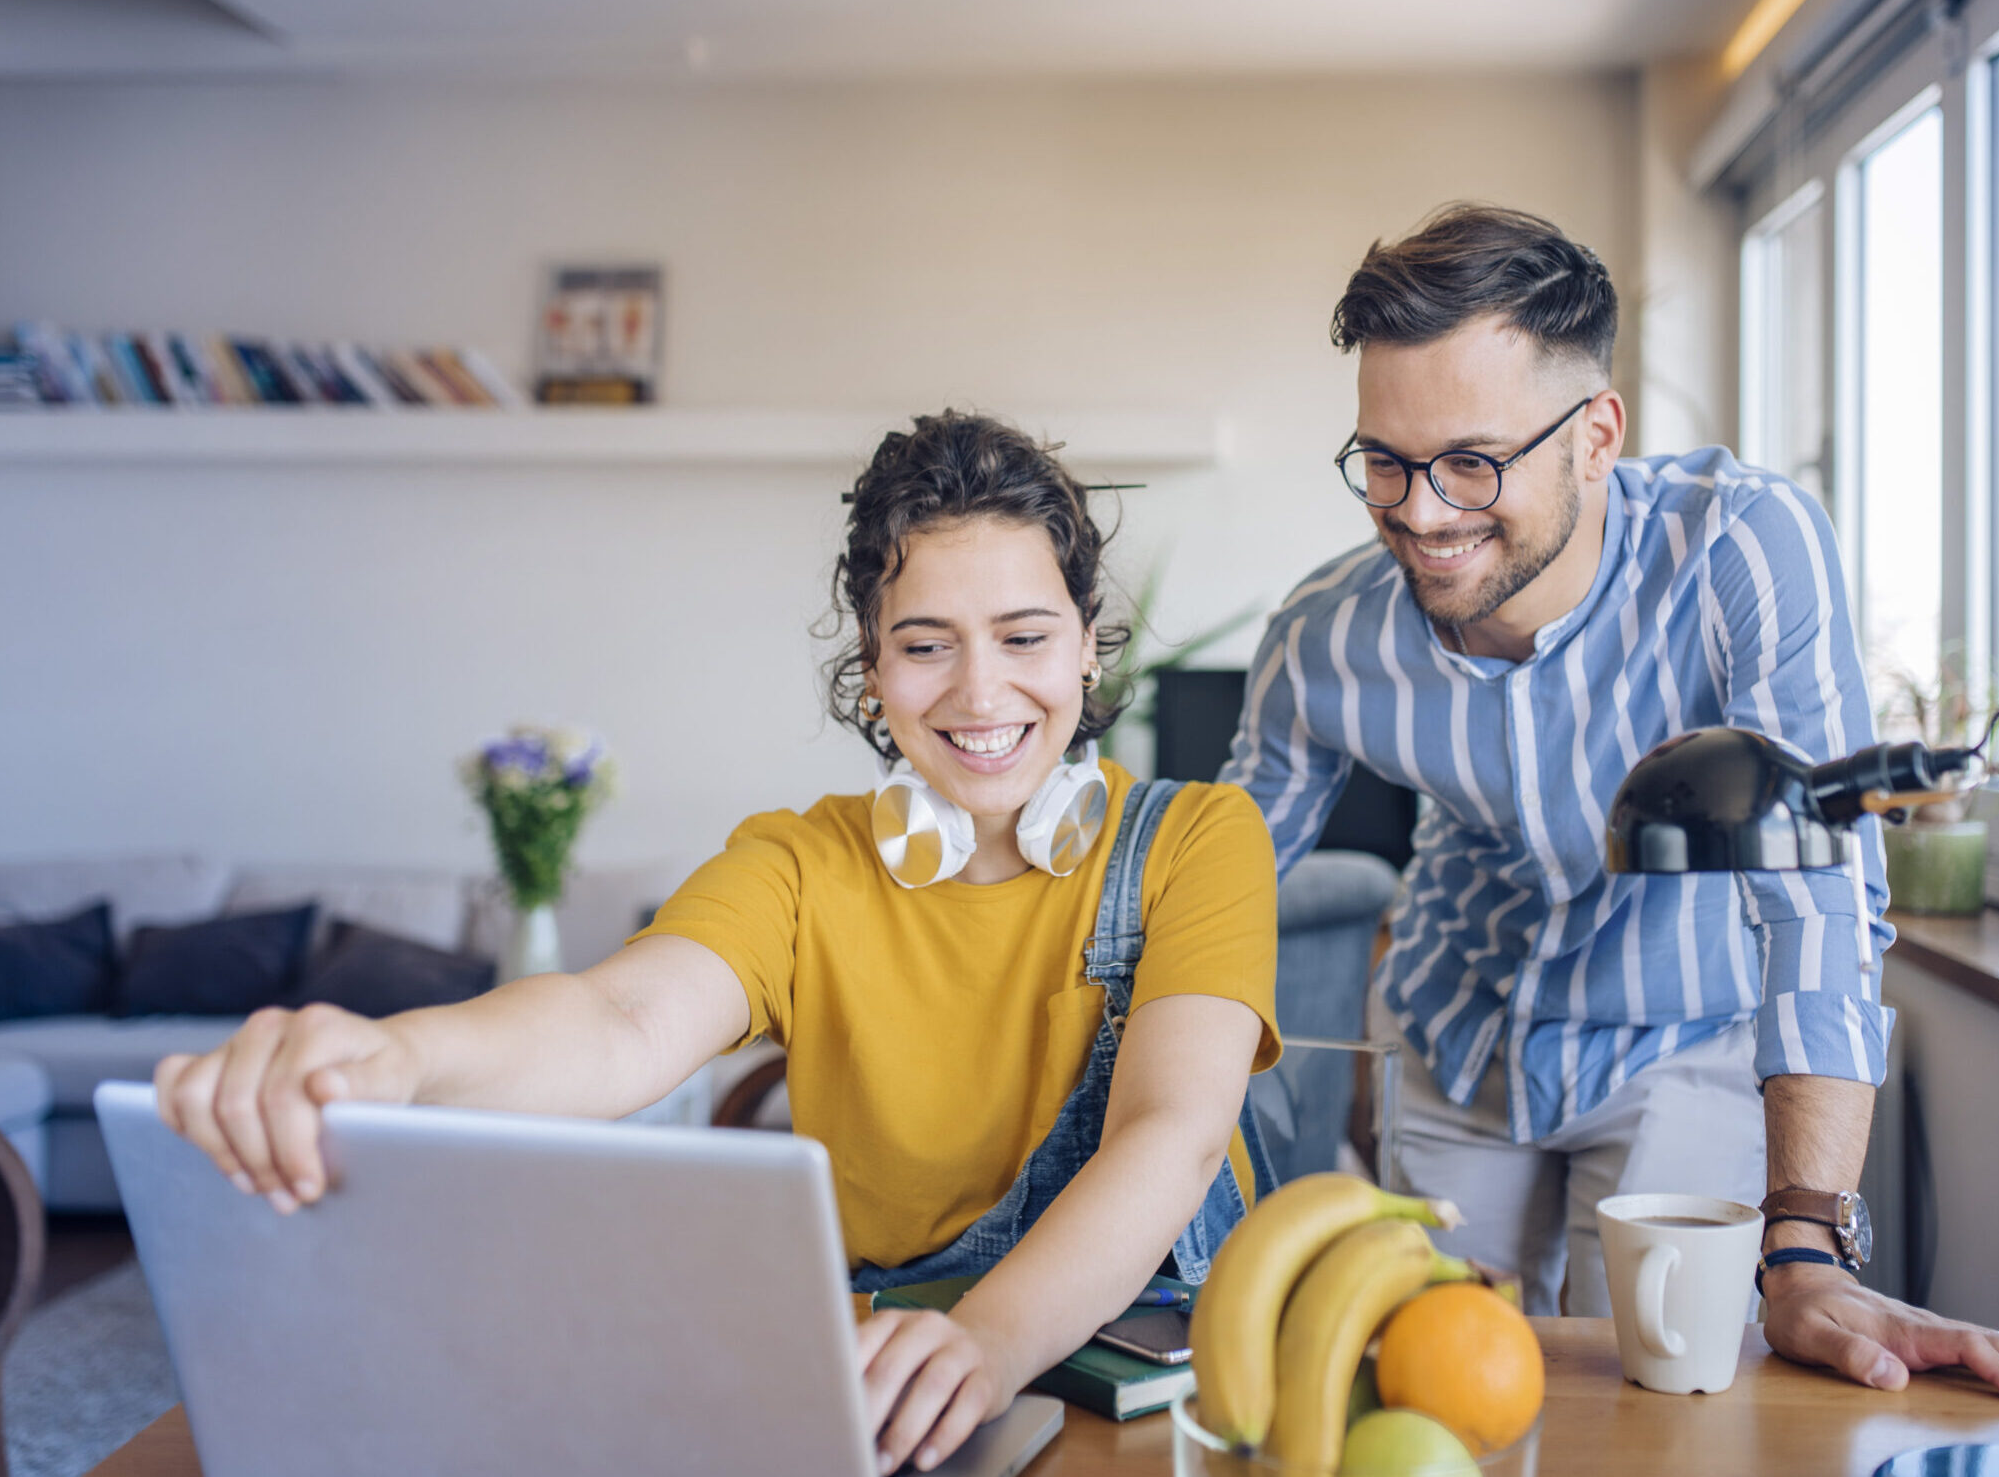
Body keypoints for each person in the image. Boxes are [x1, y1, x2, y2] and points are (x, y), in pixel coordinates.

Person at [153, 412, 1283, 1475]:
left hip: (1140, 1381)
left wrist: (988, 1342)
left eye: (1024, 636)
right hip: (886, 1383)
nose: (979, 690)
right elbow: (617, 1020)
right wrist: (395, 1062)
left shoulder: (1197, 839)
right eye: (926, 644)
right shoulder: (799, 864)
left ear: (1089, 646)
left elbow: (1169, 1130)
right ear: (873, 666)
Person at [1224, 204, 1999, 1403]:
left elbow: (1819, 896)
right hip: (1450, 1041)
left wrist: (1804, 1241)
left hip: (1683, 1046)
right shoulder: (1324, 636)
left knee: (1658, 1406)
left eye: (1472, 461)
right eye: (1383, 461)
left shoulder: (1737, 546)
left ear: (1595, 435)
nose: (1419, 514)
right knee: (1429, 1401)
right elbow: (1215, 876)